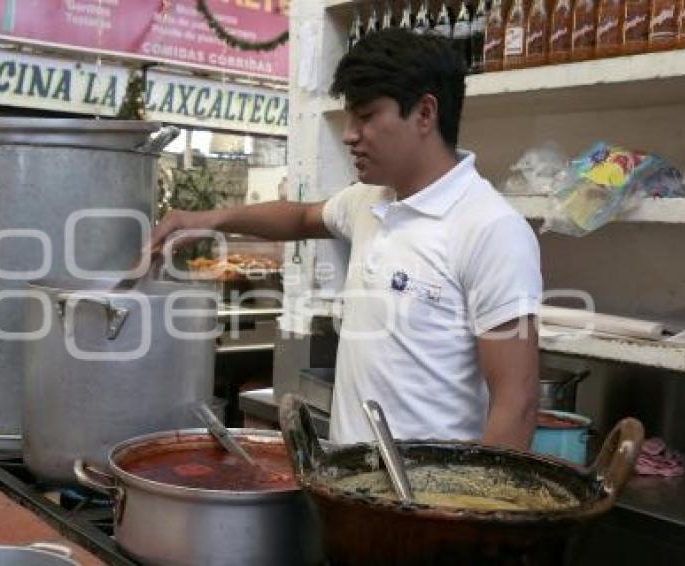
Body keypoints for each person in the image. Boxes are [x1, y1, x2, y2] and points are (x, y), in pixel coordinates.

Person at [149, 30, 542, 450]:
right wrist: (208, 220)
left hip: (433, 503)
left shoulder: (490, 228)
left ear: (425, 113)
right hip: (349, 487)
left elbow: (515, 403)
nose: (349, 134)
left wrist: (474, 513)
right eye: (349, 117)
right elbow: (300, 217)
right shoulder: (369, 201)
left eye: (367, 116)